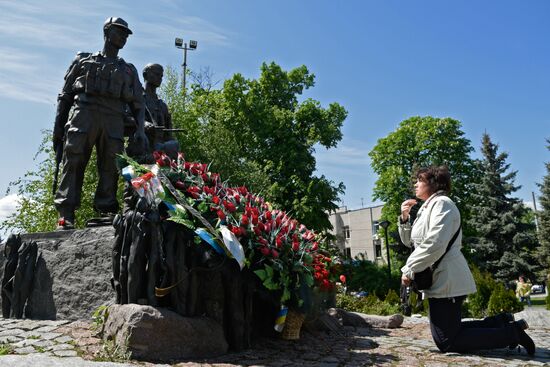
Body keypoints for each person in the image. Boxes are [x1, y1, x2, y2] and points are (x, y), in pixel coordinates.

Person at [398, 165, 536, 355]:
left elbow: (435, 243)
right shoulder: (426, 207)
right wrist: (405, 219)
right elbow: (412, 243)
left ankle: (512, 334)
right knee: (451, 333)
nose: (415, 184)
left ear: (433, 183)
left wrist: (409, 269)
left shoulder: (443, 204)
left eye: (419, 180)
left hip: (448, 279)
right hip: (439, 277)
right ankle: (503, 323)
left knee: (447, 341)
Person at [52, 17, 147, 229]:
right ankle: (65, 213)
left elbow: (138, 105)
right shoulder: (83, 61)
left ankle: (105, 210)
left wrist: (140, 130)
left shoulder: (128, 70)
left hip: (113, 118)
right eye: (119, 32)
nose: (123, 37)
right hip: (83, 114)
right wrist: (58, 127)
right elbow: (65, 95)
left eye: (126, 34)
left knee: (111, 165)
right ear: (106, 31)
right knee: (74, 160)